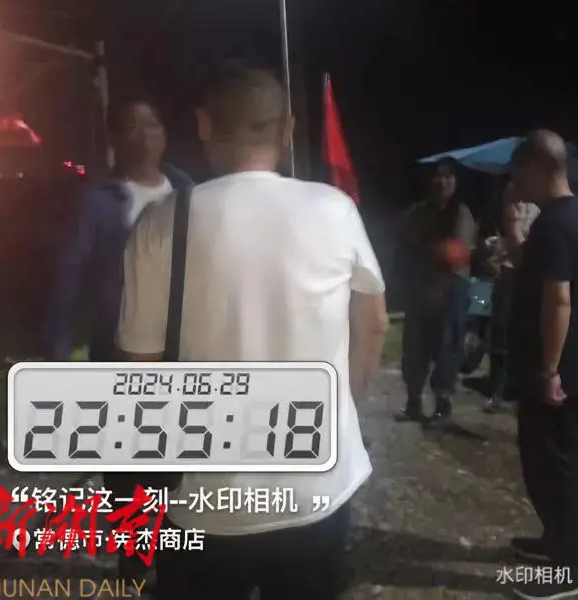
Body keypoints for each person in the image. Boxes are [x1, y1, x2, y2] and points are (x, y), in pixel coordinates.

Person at [117, 63, 388, 600]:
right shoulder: (334, 210)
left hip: (205, 500)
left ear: (203, 125)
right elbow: (375, 324)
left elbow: (140, 369)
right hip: (317, 489)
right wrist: (343, 407)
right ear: (287, 130)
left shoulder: (162, 221)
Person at [39, 95, 192, 584]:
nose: (145, 135)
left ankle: (177, 564)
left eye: (153, 124)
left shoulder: (187, 191)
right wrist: (57, 351)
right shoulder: (96, 200)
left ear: (165, 134)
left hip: (182, 351)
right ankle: (134, 566)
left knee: (181, 460)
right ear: (114, 139)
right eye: (132, 126)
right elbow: (68, 273)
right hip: (118, 349)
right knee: (127, 467)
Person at [506, 130, 578, 600]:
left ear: (539, 167)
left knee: (554, 470)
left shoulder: (557, 224)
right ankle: (554, 541)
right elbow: (533, 268)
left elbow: (558, 300)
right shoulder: (572, 216)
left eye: (519, 173)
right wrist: (510, 226)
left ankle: (567, 572)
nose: (515, 183)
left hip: (558, 374)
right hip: (568, 368)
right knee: (552, 465)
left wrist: (549, 370)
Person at [394, 158, 476, 425]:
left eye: (449, 177)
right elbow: (404, 246)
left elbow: (455, 253)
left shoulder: (462, 213)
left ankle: (442, 404)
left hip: (452, 288)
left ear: (456, 182)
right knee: (414, 345)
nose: (443, 182)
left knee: (447, 345)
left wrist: (430, 251)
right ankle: (413, 402)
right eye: (438, 176)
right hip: (421, 286)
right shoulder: (417, 213)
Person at [483, 179, 540, 413]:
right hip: (500, 274)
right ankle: (496, 389)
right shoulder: (496, 210)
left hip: (524, 275)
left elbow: (529, 246)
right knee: (499, 331)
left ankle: (518, 389)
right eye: (510, 191)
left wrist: (515, 226)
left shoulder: (536, 211)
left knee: (521, 332)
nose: (514, 195)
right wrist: (489, 253)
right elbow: (484, 240)